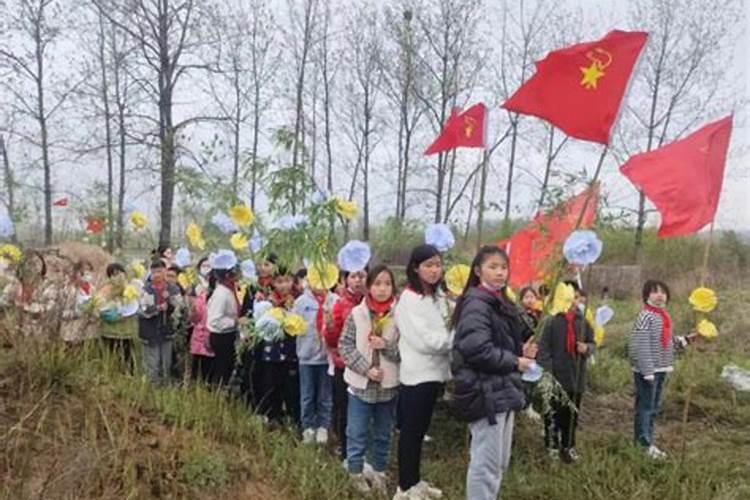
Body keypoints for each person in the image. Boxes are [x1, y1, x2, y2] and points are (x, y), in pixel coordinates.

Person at [451, 246, 537, 500]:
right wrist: (514, 361)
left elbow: (498, 343)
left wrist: (522, 349)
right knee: (486, 464)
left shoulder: (499, 301)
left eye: (503, 267)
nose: (500, 273)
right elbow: (476, 349)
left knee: (499, 462)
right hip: (485, 391)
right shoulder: (477, 303)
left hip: (502, 389)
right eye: (493, 267)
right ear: (478, 271)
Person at [393, 244, 452, 500]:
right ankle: (404, 488)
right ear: (415, 268)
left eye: (437, 264)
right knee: (411, 432)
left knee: (419, 432)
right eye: (428, 265)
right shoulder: (409, 299)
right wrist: (453, 339)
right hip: (417, 375)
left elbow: (446, 324)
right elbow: (424, 341)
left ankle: (414, 481)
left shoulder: (438, 296)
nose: (433, 270)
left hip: (435, 374)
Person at [340, 265, 400, 495]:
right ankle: (355, 472)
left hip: (388, 387)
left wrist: (386, 347)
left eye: (387, 284)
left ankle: (379, 471)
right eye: (377, 284)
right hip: (360, 385)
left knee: (384, 432)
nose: (382, 289)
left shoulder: (399, 315)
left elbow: (406, 349)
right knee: (356, 431)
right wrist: (366, 369)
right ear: (368, 286)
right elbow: (345, 346)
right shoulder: (357, 313)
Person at [628, 279, 695, 459]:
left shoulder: (663, 316)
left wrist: (686, 340)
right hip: (648, 371)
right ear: (646, 296)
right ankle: (642, 444)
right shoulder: (646, 316)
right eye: (655, 292)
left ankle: (646, 441)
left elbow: (666, 342)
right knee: (646, 407)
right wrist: (647, 370)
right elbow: (640, 344)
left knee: (654, 406)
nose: (660, 295)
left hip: (661, 368)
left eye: (663, 292)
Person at [537, 280, 595, 463]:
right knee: (553, 414)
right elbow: (543, 350)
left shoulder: (583, 321)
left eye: (576, 298)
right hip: (555, 377)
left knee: (571, 415)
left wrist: (587, 348)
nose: (573, 302)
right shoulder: (551, 321)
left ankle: (568, 445)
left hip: (575, 377)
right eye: (568, 298)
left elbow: (593, 343)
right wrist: (549, 373)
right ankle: (552, 446)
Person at [324, 268, 367, 462]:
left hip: (367, 365)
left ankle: (361, 447)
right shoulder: (340, 304)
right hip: (344, 365)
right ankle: (344, 445)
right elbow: (332, 341)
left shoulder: (371, 304)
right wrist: (331, 327)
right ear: (345, 279)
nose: (358, 281)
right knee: (343, 408)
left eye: (362, 276)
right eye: (354, 276)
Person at [254, 264, 300, 426]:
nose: (283, 285)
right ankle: (272, 416)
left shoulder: (298, 301)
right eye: (279, 282)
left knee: (290, 386)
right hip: (271, 351)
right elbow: (258, 326)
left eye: (287, 281)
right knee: (271, 383)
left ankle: (292, 419)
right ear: (273, 283)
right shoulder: (267, 301)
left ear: (293, 281)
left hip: (291, 351)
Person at [294, 272, 337, 444]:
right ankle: (308, 426)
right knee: (307, 394)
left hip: (327, 357)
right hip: (306, 356)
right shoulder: (301, 302)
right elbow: (293, 326)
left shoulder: (334, 300)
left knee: (325, 394)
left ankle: (323, 426)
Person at [138, 259, 183, 385]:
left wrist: (170, 303)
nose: (158, 274)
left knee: (166, 362)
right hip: (150, 331)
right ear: (151, 273)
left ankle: (165, 387)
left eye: (160, 271)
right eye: (155, 272)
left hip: (166, 331)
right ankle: (152, 387)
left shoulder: (173, 289)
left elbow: (180, 307)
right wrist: (157, 308)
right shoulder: (146, 289)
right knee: (152, 363)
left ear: (165, 271)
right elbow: (142, 309)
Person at [97, 263, 138, 372]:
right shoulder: (105, 290)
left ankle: (128, 379)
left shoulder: (130, 289)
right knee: (112, 358)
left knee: (127, 359)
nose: (117, 277)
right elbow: (99, 305)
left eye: (119, 273)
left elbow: (133, 307)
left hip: (125, 332)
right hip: (109, 331)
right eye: (113, 274)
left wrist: (123, 313)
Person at [206, 265, 241, 387]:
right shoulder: (221, 294)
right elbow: (214, 320)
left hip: (228, 334)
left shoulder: (230, 290)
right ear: (227, 275)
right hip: (221, 336)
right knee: (223, 368)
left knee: (227, 366)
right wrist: (235, 322)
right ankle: (218, 392)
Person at [189, 258, 214, 383]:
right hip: (199, 334)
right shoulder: (200, 294)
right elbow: (195, 317)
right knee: (196, 365)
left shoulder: (218, 296)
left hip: (211, 335)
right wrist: (193, 310)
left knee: (207, 369)